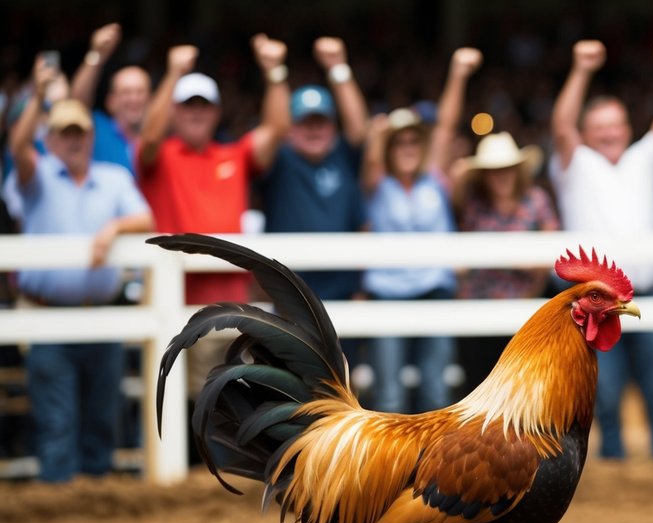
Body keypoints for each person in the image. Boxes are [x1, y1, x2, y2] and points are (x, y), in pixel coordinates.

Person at [6, 54, 153, 483]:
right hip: (48, 314)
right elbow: (17, 148)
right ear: (48, 139)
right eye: (64, 132)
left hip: (100, 313)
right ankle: (60, 505)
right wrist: (35, 95)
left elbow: (145, 219)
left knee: (99, 419)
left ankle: (95, 507)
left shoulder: (112, 178)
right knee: (58, 421)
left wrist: (113, 227)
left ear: (91, 136)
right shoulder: (36, 178)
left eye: (80, 132)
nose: (73, 139)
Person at [549, 38, 653, 463]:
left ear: (628, 128)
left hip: (649, 295)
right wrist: (581, 69)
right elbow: (561, 123)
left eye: (616, 124)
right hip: (595, 305)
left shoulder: (643, 159)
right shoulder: (574, 164)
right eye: (600, 126)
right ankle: (614, 473)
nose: (610, 133)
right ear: (587, 133)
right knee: (604, 397)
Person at [137, 36, 290, 395]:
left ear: (217, 112)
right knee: (189, 410)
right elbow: (149, 135)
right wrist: (174, 72)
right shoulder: (162, 157)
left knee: (237, 412)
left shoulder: (231, 156)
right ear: (173, 111)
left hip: (235, 309)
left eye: (204, 106)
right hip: (179, 306)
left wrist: (275, 72)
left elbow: (277, 130)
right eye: (187, 105)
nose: (196, 112)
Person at [438, 47, 560, 397]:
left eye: (507, 168)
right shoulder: (472, 201)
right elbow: (453, 167)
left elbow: (550, 256)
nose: (501, 175)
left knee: (521, 393)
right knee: (475, 389)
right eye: (493, 170)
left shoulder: (536, 201)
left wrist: (502, 257)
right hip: (475, 310)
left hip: (523, 311)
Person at [359, 48, 472, 414]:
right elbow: (371, 154)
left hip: (435, 288)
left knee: (437, 390)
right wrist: (379, 134)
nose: (407, 147)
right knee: (389, 392)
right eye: (399, 142)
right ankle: (392, 471)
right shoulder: (377, 183)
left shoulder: (434, 179)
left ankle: (432, 470)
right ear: (389, 148)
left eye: (413, 141)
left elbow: (446, 126)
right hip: (387, 291)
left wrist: (458, 74)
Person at [258, 36, 368, 309]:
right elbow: (273, 128)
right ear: (291, 128)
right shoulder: (280, 160)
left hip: (342, 290)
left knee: (343, 354)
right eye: (305, 122)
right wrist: (275, 73)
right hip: (288, 293)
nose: (314, 129)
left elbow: (359, 129)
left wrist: (338, 67)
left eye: (321, 121)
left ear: (332, 126)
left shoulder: (343, 156)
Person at [69, 23, 151, 176]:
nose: (134, 99)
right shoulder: (98, 130)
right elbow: (76, 105)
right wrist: (96, 54)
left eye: (140, 92)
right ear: (110, 101)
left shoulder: (158, 137)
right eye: (126, 92)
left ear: (151, 99)